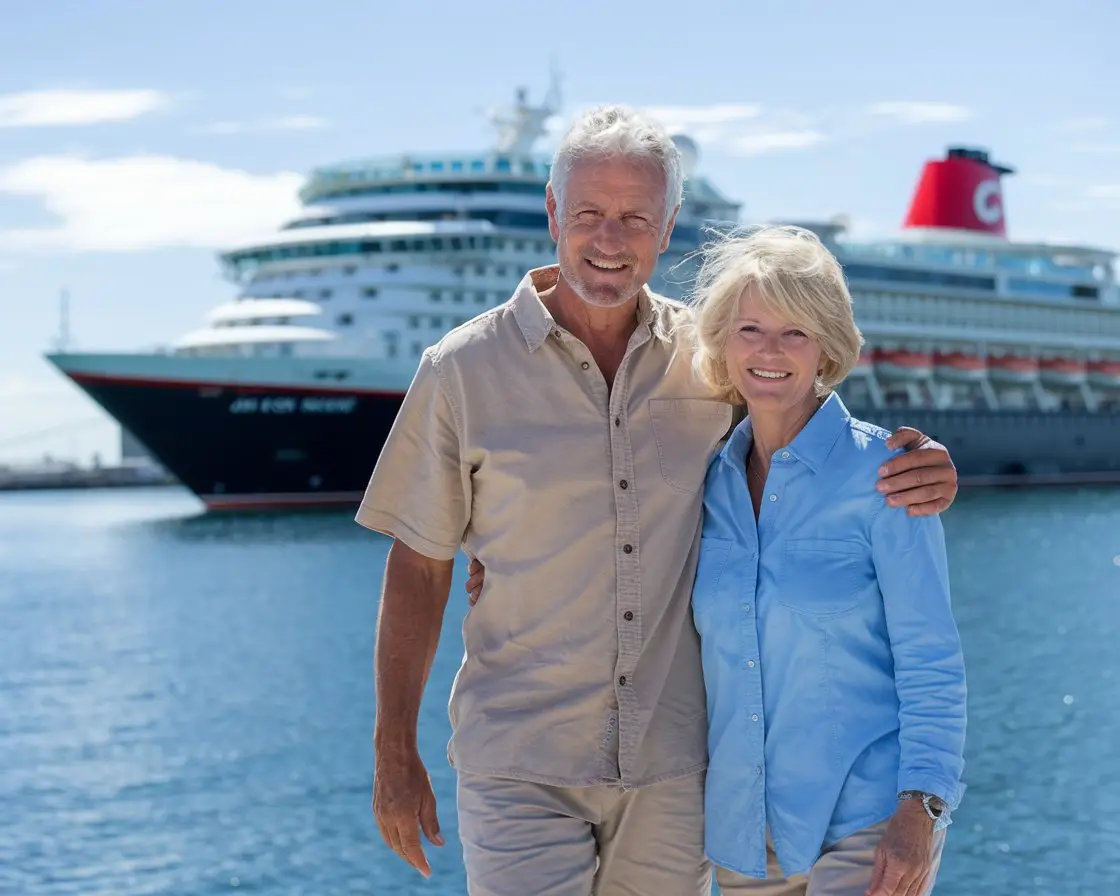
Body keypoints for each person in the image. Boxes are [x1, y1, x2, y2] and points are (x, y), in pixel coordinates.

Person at [356, 104, 960, 896]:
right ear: (552, 213)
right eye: (589, 215)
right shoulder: (462, 369)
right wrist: (393, 750)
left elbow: (809, 438)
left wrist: (938, 465)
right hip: (522, 758)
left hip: (676, 771)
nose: (610, 239)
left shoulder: (709, 361)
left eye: (635, 217)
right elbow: (420, 562)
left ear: (668, 226)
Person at [686, 225, 967, 896]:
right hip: (744, 833)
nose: (770, 352)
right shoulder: (706, 482)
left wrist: (923, 807)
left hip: (867, 822)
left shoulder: (887, 476)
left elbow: (932, 659)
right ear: (724, 341)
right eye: (751, 329)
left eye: (796, 333)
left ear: (827, 348)